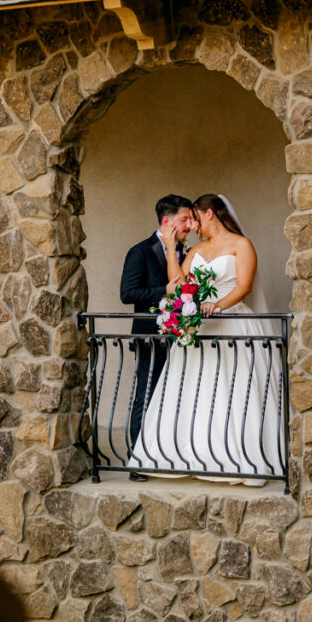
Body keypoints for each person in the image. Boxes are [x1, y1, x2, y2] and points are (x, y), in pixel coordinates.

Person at [128, 193, 285, 485]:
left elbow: (244, 285)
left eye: (195, 219)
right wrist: (174, 247)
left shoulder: (242, 245)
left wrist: (218, 306)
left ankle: (238, 458)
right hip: (200, 327)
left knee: (234, 390)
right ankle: (191, 455)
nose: (194, 226)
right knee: (194, 392)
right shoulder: (196, 250)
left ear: (209, 213)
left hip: (230, 322)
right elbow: (179, 285)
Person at [120, 194, 195, 477]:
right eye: (184, 219)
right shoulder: (139, 252)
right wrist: (163, 291)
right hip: (150, 337)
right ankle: (138, 461)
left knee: (175, 397)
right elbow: (127, 293)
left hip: (180, 338)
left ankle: (168, 454)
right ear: (167, 221)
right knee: (146, 397)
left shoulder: (187, 253)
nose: (190, 225)